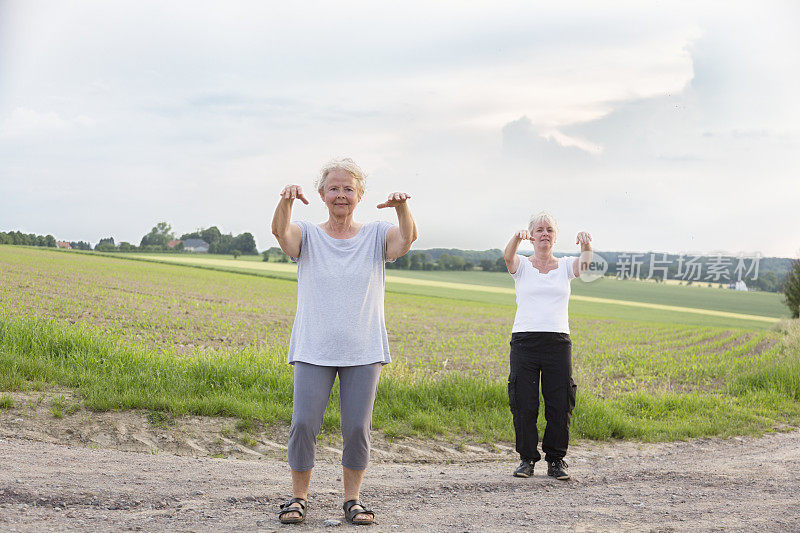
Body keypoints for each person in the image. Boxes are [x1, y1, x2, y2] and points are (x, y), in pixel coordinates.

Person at [271, 158, 417, 525]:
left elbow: (406, 240)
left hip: (363, 349)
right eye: (333, 188)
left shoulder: (376, 234)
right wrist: (286, 201)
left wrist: (402, 209)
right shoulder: (307, 233)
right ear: (321, 194)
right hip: (313, 348)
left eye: (348, 188)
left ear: (360, 195)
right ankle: (298, 497)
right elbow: (281, 235)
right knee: (303, 423)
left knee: (356, 428)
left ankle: (353, 499)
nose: (341, 194)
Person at [503, 211, 592, 481]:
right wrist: (515, 239)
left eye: (549, 230)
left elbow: (585, 266)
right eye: (539, 230)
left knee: (560, 401)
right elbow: (508, 258)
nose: (545, 234)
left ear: (555, 237)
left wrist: (586, 245)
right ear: (532, 235)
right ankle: (527, 459)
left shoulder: (565, 266)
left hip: (557, 342)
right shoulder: (523, 266)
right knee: (524, 402)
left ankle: (556, 460)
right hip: (525, 341)